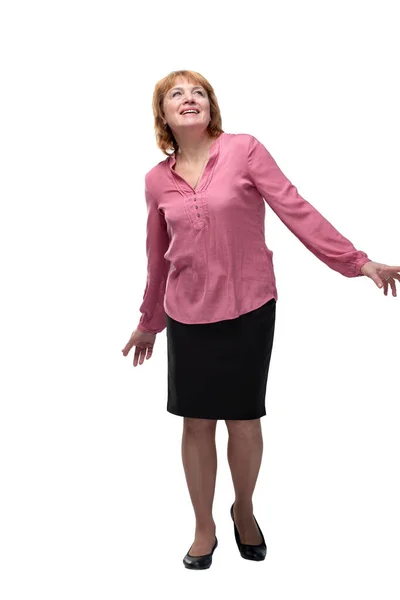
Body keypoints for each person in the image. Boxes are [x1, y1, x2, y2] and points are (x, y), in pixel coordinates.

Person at [122, 70, 400, 570]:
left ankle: (244, 510)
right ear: (162, 115)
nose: (190, 99)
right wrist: (149, 319)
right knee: (196, 422)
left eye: (199, 92)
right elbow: (157, 256)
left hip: (249, 304)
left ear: (211, 106)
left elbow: (296, 208)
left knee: (244, 420)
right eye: (177, 95)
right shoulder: (154, 181)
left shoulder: (244, 149)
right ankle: (204, 527)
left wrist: (357, 262)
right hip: (187, 312)